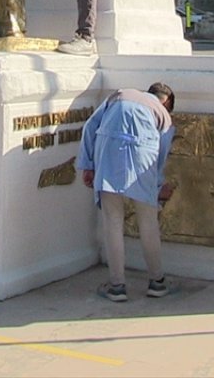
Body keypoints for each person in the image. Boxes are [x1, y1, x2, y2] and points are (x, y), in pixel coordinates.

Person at [76, 83, 177, 302]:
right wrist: (157, 186)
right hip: (144, 155)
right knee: (148, 221)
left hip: (108, 149)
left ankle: (117, 286)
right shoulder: (164, 117)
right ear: (166, 102)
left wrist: (87, 164)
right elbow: (161, 155)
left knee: (112, 221)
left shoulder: (120, 94)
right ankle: (157, 282)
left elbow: (90, 127)